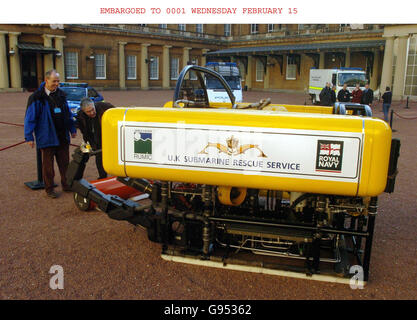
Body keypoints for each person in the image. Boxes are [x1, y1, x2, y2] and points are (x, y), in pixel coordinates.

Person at [24, 69, 76, 198]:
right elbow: (30, 118)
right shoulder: (36, 97)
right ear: (46, 81)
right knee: (48, 167)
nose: (57, 84)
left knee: (65, 164)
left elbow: (68, 114)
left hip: (62, 136)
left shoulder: (62, 95)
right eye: (54, 81)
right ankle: (49, 189)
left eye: (58, 81)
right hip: (46, 137)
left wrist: (72, 129)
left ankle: (66, 184)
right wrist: (29, 136)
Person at [76, 98, 114, 179]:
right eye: (88, 112)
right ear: (83, 111)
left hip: (110, 138)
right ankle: (102, 177)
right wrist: (90, 145)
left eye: (92, 109)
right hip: (96, 140)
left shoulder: (106, 107)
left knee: (114, 159)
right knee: (99, 159)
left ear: (94, 105)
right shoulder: (80, 116)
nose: (92, 112)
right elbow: (85, 133)